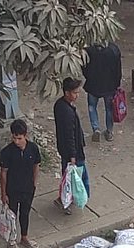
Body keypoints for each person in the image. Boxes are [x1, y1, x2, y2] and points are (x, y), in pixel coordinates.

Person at [0, 119, 42, 248]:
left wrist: (34, 183)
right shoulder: (7, 152)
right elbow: (3, 173)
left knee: (25, 213)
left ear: (25, 136)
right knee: (12, 215)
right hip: (12, 190)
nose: (16, 141)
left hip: (28, 188)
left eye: (19, 138)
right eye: (14, 138)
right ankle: (12, 239)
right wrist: (3, 193)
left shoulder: (33, 148)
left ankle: (24, 237)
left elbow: (36, 165)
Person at [54, 77, 89, 214]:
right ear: (67, 92)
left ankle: (65, 199)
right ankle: (65, 201)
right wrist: (73, 155)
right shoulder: (67, 111)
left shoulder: (60, 105)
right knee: (74, 179)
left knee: (68, 176)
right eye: (75, 93)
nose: (77, 95)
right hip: (72, 152)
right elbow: (70, 135)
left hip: (65, 149)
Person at [83, 41, 122, 143]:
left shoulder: (88, 51)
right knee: (109, 109)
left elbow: (84, 67)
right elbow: (118, 69)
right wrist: (117, 83)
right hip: (109, 86)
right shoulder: (113, 50)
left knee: (92, 107)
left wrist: (88, 77)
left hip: (93, 85)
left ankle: (96, 128)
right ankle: (109, 132)